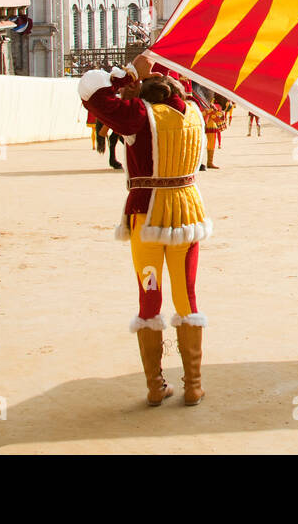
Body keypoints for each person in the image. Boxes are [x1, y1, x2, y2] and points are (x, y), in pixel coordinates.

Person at [80, 55, 211, 407]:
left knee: (149, 295)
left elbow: (90, 89)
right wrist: (153, 72)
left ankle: (156, 386)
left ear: (144, 96)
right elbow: (181, 86)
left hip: (146, 218)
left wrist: (125, 77)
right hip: (186, 214)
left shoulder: (139, 116)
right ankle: (194, 385)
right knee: (186, 295)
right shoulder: (195, 112)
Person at [203, 94, 231, 169]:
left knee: (210, 142)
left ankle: (209, 162)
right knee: (209, 142)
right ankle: (209, 162)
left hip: (209, 121)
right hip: (209, 122)